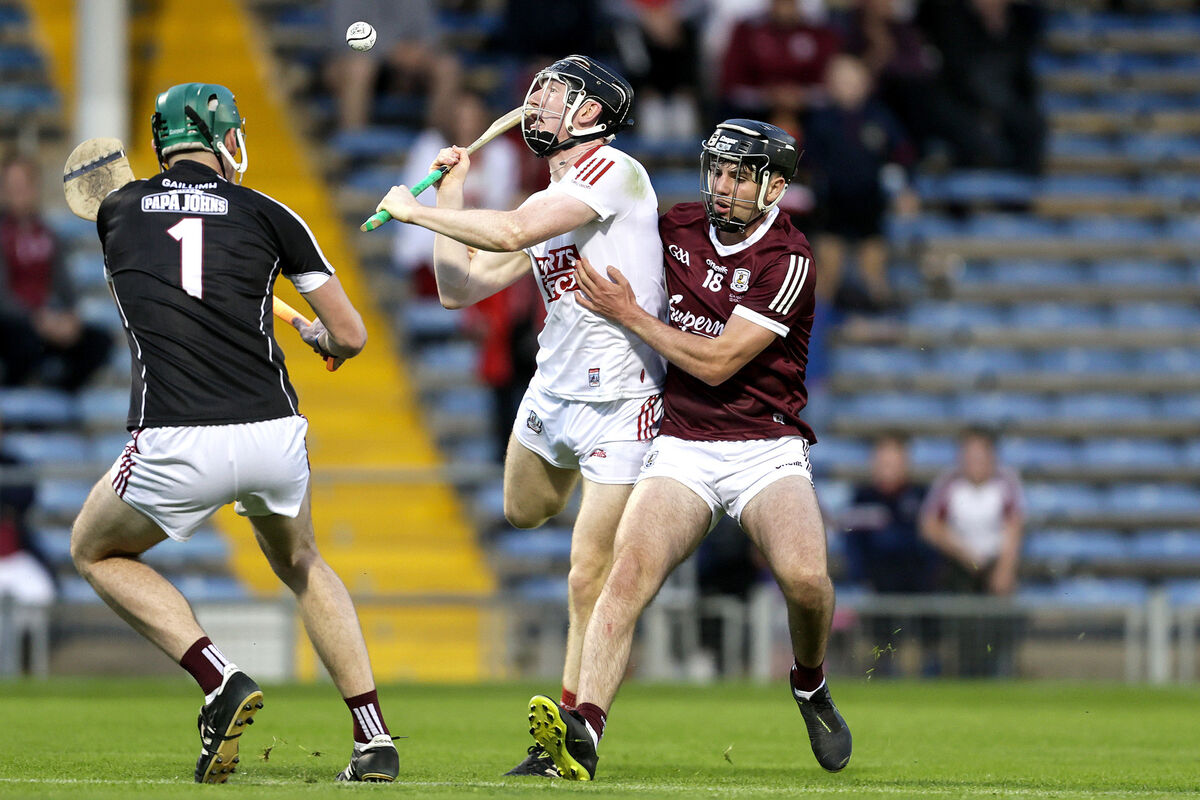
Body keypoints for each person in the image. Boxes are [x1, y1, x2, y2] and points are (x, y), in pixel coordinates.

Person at [69, 83, 396, 784]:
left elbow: (162, 278)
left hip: (176, 436)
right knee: (303, 562)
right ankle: (374, 736)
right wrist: (318, 335)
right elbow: (353, 336)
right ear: (221, 139)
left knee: (93, 551)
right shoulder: (270, 213)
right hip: (272, 436)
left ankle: (219, 679)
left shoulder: (116, 211)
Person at [521, 119, 852, 780]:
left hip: (766, 447)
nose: (723, 187)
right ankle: (583, 733)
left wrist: (629, 315)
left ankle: (810, 683)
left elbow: (720, 362)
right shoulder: (675, 228)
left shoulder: (788, 259)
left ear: (776, 187)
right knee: (626, 575)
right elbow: (595, 231)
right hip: (683, 444)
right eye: (719, 171)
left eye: (741, 176)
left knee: (807, 581)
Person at [374, 55, 666, 778]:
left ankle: (570, 735)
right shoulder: (551, 193)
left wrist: (416, 212)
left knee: (584, 576)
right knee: (522, 511)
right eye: (536, 90)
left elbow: (506, 235)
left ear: (593, 115)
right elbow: (456, 287)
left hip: (622, 401)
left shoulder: (615, 175)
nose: (536, 103)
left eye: (556, 96)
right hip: (553, 395)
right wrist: (454, 188)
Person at [804, 54, 916, 313]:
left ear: (866, 82)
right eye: (840, 80)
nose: (847, 85)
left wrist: (907, 188)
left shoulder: (880, 117)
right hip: (831, 206)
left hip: (869, 205)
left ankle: (882, 330)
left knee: (874, 271)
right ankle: (815, 338)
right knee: (826, 274)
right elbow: (806, 163)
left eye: (852, 79)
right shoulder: (821, 120)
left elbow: (902, 153)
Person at [0, 156, 112, 391]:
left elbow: (66, 288)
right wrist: (37, 320)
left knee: (99, 342)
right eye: (13, 186)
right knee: (23, 342)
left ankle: (56, 396)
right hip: (14, 327)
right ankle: (18, 409)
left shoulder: (49, 235)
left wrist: (69, 319)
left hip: (46, 324)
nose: (19, 193)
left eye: (24, 185)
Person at [919, 426, 1025, 676]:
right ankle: (962, 671)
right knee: (962, 623)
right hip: (960, 567)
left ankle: (999, 671)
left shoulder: (1005, 483)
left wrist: (1005, 569)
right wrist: (962, 552)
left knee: (997, 622)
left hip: (994, 563)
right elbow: (930, 525)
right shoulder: (949, 483)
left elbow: (1014, 525)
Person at [841, 434, 940, 675]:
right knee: (881, 641)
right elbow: (853, 544)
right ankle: (882, 670)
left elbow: (931, 543)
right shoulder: (862, 498)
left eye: (894, 462)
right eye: (883, 461)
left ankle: (931, 670)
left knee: (930, 631)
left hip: (919, 585)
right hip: (877, 585)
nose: (889, 468)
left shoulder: (921, 496)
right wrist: (861, 577)